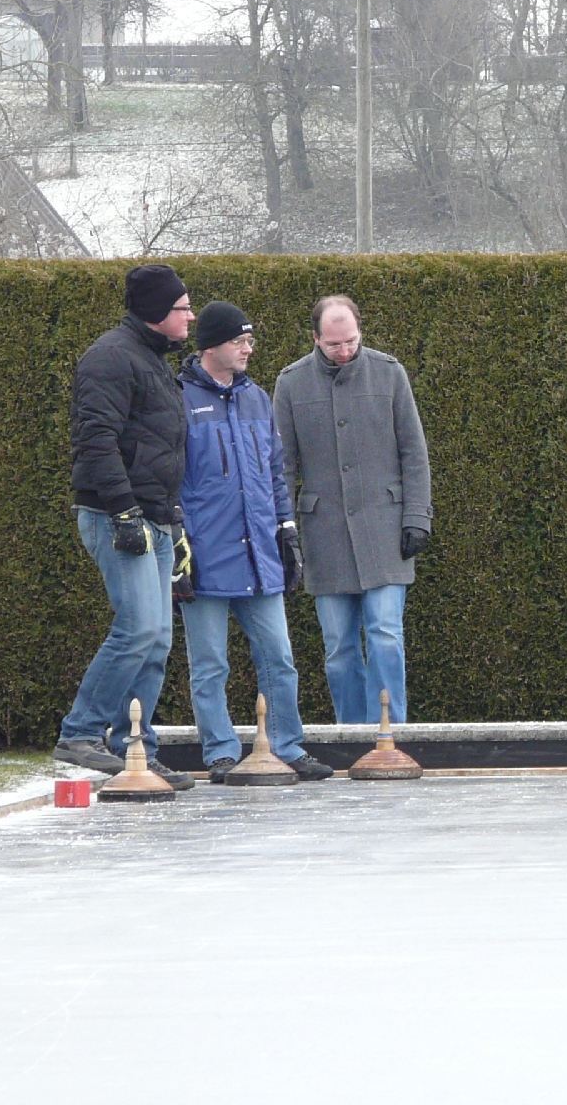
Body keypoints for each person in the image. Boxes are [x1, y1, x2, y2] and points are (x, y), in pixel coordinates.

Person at [176, 301, 334, 784]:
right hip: (204, 556)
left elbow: (273, 473)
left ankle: (287, 746)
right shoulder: (178, 399)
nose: (248, 349)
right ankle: (220, 753)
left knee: (279, 659)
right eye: (239, 341)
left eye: (249, 340)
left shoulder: (256, 398)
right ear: (211, 346)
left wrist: (286, 529)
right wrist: (178, 544)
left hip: (259, 554)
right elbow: (168, 479)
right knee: (210, 665)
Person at [52, 263, 195, 789]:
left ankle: (135, 749)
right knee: (137, 629)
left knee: (156, 641)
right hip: (118, 515)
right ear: (157, 312)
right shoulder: (110, 357)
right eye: (182, 308)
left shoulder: (154, 359)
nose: (191, 316)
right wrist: (124, 511)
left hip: (154, 517)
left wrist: (172, 518)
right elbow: (96, 438)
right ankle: (81, 732)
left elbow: (161, 448)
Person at [273, 295, 433, 724]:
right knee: (339, 649)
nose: (344, 351)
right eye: (333, 344)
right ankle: (350, 734)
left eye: (351, 341)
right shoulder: (290, 383)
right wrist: (282, 527)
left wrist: (418, 516)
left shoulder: (390, 373)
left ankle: (389, 733)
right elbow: (282, 466)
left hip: (386, 527)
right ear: (315, 338)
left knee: (386, 636)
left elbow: (414, 452)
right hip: (324, 534)